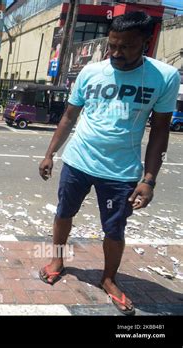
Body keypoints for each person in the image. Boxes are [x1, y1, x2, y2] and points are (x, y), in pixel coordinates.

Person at [38, 11, 180, 315]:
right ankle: (58, 259)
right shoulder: (91, 72)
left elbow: (160, 131)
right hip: (78, 161)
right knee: (64, 214)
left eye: (126, 47)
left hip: (121, 172)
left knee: (114, 230)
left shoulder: (164, 77)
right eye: (112, 46)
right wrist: (50, 154)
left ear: (145, 41)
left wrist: (149, 178)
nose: (116, 53)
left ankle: (108, 278)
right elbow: (69, 116)